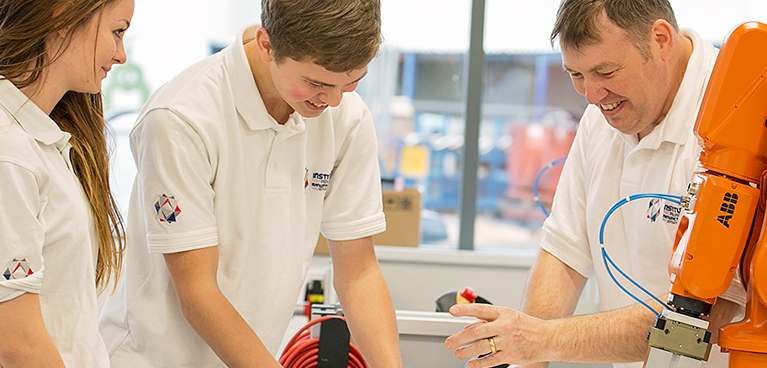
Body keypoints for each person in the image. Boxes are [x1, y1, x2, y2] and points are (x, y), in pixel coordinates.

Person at [98, 0, 403, 367]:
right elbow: (198, 292)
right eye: (316, 83)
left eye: (352, 81)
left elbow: (358, 274)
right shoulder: (182, 118)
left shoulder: (346, 118)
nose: (335, 100)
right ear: (266, 45)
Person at [444, 1, 746, 367]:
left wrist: (542, 340)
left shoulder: (739, 115)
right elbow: (563, 252)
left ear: (661, 40)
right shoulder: (602, 115)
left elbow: (708, 315)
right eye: (576, 74)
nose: (591, 95)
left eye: (605, 71)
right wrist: (528, 358)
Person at [0, 0, 133, 366]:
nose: (121, 54)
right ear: (63, 16)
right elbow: (17, 343)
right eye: (116, 31)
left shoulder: (40, 138)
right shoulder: (9, 151)